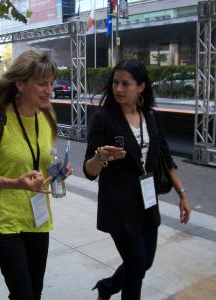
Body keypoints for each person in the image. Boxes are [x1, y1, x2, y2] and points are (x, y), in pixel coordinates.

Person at [83, 59, 191, 300]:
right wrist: (101, 157)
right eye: (115, 83)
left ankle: (108, 286)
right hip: (119, 205)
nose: (118, 89)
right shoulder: (104, 118)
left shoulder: (151, 117)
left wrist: (182, 195)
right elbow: (89, 170)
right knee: (136, 263)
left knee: (144, 262)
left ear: (141, 87)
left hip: (147, 201)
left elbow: (165, 157)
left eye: (126, 83)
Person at [0, 49, 69, 300]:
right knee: (24, 295)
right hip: (4, 222)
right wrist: (15, 183)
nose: (49, 90)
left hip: (38, 220)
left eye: (51, 83)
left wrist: (59, 173)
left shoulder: (47, 117)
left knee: (33, 293)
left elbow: (44, 163)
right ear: (21, 84)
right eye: (41, 84)